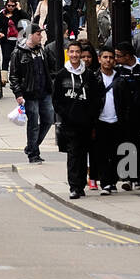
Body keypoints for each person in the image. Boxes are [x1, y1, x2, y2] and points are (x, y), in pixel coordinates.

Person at [53, 40, 95, 198]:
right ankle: (74, 186)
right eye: (72, 52)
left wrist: (89, 116)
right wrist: (65, 115)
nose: (75, 55)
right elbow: (56, 99)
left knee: (83, 154)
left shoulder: (89, 75)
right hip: (69, 122)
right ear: (68, 53)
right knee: (73, 154)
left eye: (77, 52)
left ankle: (81, 184)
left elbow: (95, 98)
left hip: (85, 122)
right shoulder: (61, 75)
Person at [9, 22, 53, 164]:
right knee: (33, 123)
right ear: (30, 35)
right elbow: (14, 76)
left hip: (44, 92)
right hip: (29, 94)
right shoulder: (18, 52)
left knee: (48, 120)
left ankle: (31, 146)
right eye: (38, 34)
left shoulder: (41, 50)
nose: (41, 36)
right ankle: (33, 154)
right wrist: (18, 94)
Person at [90, 45, 130, 195]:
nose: (108, 60)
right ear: (99, 59)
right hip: (100, 121)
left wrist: (124, 120)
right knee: (102, 154)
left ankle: (112, 181)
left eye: (111, 57)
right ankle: (106, 183)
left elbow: (126, 102)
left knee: (116, 154)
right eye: (105, 57)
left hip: (117, 122)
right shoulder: (93, 78)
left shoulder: (121, 79)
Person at [114, 41, 140, 190]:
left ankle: (137, 179)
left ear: (128, 56)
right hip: (124, 114)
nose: (116, 58)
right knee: (126, 145)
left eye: (119, 56)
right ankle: (127, 177)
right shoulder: (117, 70)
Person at [0, 0, 28, 78]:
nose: (11, 7)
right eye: (9, 5)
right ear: (6, 5)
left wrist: (19, 8)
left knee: (17, 58)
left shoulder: (19, 14)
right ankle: (4, 78)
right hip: (6, 40)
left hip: (18, 40)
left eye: (13, 6)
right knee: (6, 57)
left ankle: (16, 76)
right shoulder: (2, 14)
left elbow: (27, 18)